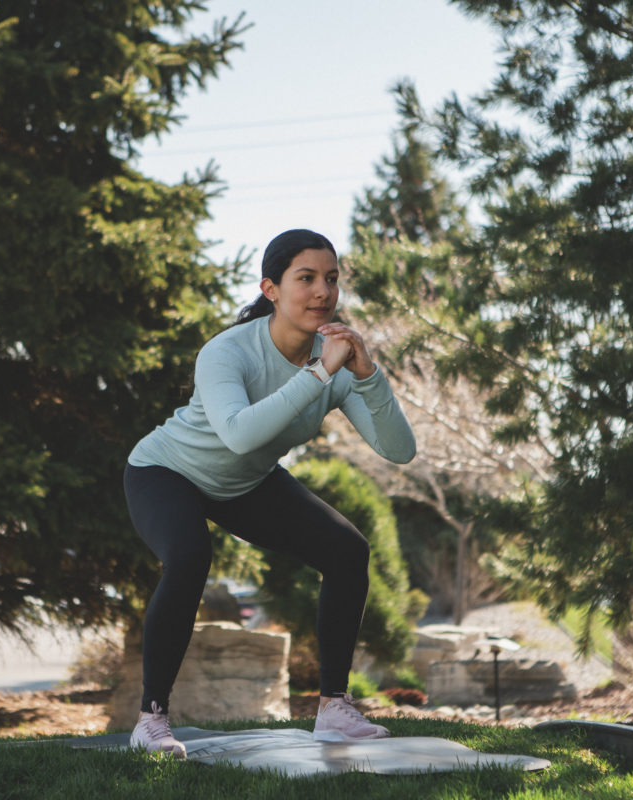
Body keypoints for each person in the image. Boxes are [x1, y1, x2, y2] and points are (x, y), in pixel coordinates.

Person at [123, 228, 416, 758]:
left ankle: (333, 709)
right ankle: (151, 719)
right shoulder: (228, 351)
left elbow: (398, 450)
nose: (322, 291)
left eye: (331, 279)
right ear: (272, 289)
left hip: (245, 482)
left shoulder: (339, 363)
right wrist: (317, 373)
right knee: (189, 556)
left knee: (347, 550)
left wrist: (368, 376)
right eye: (305, 278)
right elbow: (238, 433)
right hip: (166, 471)